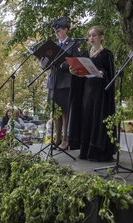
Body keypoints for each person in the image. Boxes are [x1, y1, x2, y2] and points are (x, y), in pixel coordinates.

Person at [69, 26, 116, 162]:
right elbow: (81, 74)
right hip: (87, 92)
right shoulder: (85, 54)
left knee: (98, 120)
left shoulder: (106, 54)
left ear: (101, 37)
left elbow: (111, 75)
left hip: (101, 94)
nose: (91, 38)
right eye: (89, 36)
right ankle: (86, 151)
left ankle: (99, 152)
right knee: (87, 119)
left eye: (94, 35)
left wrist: (103, 73)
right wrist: (74, 72)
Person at [42, 17, 81, 151]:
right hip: (53, 81)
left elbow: (76, 61)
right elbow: (48, 64)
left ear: (65, 29)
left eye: (58, 31)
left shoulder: (72, 44)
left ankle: (65, 138)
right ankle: (57, 138)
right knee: (55, 112)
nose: (57, 33)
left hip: (65, 81)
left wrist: (62, 63)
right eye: (55, 32)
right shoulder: (54, 46)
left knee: (64, 111)